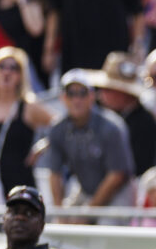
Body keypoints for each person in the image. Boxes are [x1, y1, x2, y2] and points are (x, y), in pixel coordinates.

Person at [0, 47, 54, 203]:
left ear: (21, 76)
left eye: (13, 68)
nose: (6, 72)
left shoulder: (29, 107)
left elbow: (61, 125)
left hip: (22, 188)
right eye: (1, 67)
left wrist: (42, 146)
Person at [43, 69, 135, 211]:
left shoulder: (112, 127)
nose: (76, 100)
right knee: (61, 226)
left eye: (82, 93)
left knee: (106, 228)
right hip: (85, 190)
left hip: (118, 194)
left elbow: (116, 176)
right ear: (63, 98)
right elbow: (55, 173)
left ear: (92, 96)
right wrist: (60, 212)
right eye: (71, 94)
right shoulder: (57, 129)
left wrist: (88, 213)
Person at [92, 52, 156, 178]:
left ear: (123, 93)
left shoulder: (145, 123)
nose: (101, 94)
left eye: (108, 89)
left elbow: (138, 167)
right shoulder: (101, 114)